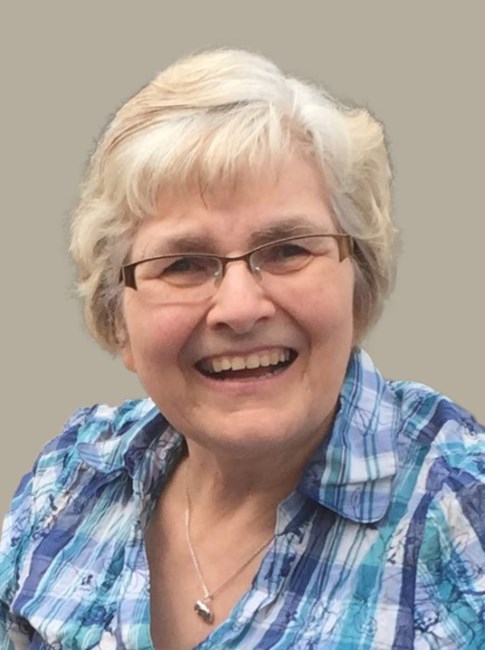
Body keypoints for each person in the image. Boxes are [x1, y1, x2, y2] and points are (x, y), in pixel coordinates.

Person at [1, 48, 484, 650]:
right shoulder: (73, 478)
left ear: (359, 285)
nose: (239, 307)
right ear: (117, 320)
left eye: (287, 250)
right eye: (182, 263)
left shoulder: (463, 513)